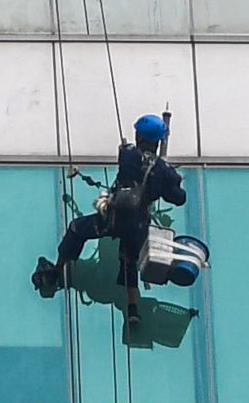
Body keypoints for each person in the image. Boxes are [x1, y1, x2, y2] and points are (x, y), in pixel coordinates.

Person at [36, 112, 188, 301]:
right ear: (158, 141)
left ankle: (57, 271)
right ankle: (132, 311)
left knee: (77, 229)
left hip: (114, 218)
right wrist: (174, 181)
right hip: (138, 225)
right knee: (129, 261)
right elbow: (178, 198)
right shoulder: (164, 170)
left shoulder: (128, 152)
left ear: (139, 136)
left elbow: (128, 163)